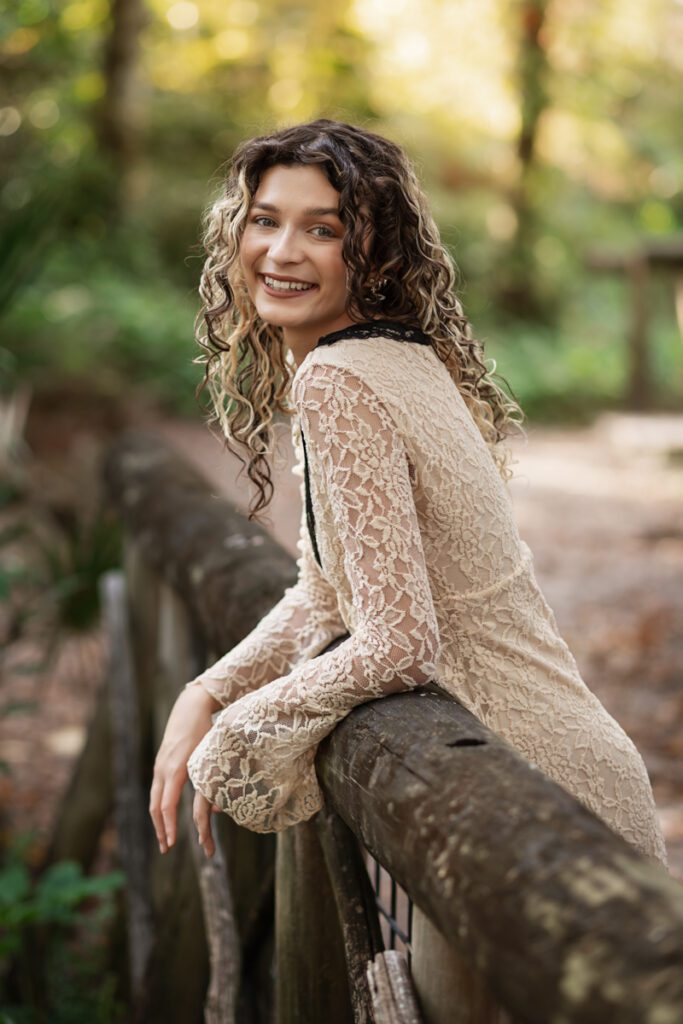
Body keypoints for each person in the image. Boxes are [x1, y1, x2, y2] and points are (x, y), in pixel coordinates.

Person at [149, 118, 668, 869]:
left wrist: (238, 733)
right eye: (265, 220)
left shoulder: (339, 379)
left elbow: (399, 641)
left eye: (321, 230)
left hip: (532, 795)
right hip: (541, 774)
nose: (282, 252)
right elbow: (326, 595)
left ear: (373, 252)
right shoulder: (394, 357)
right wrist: (208, 690)